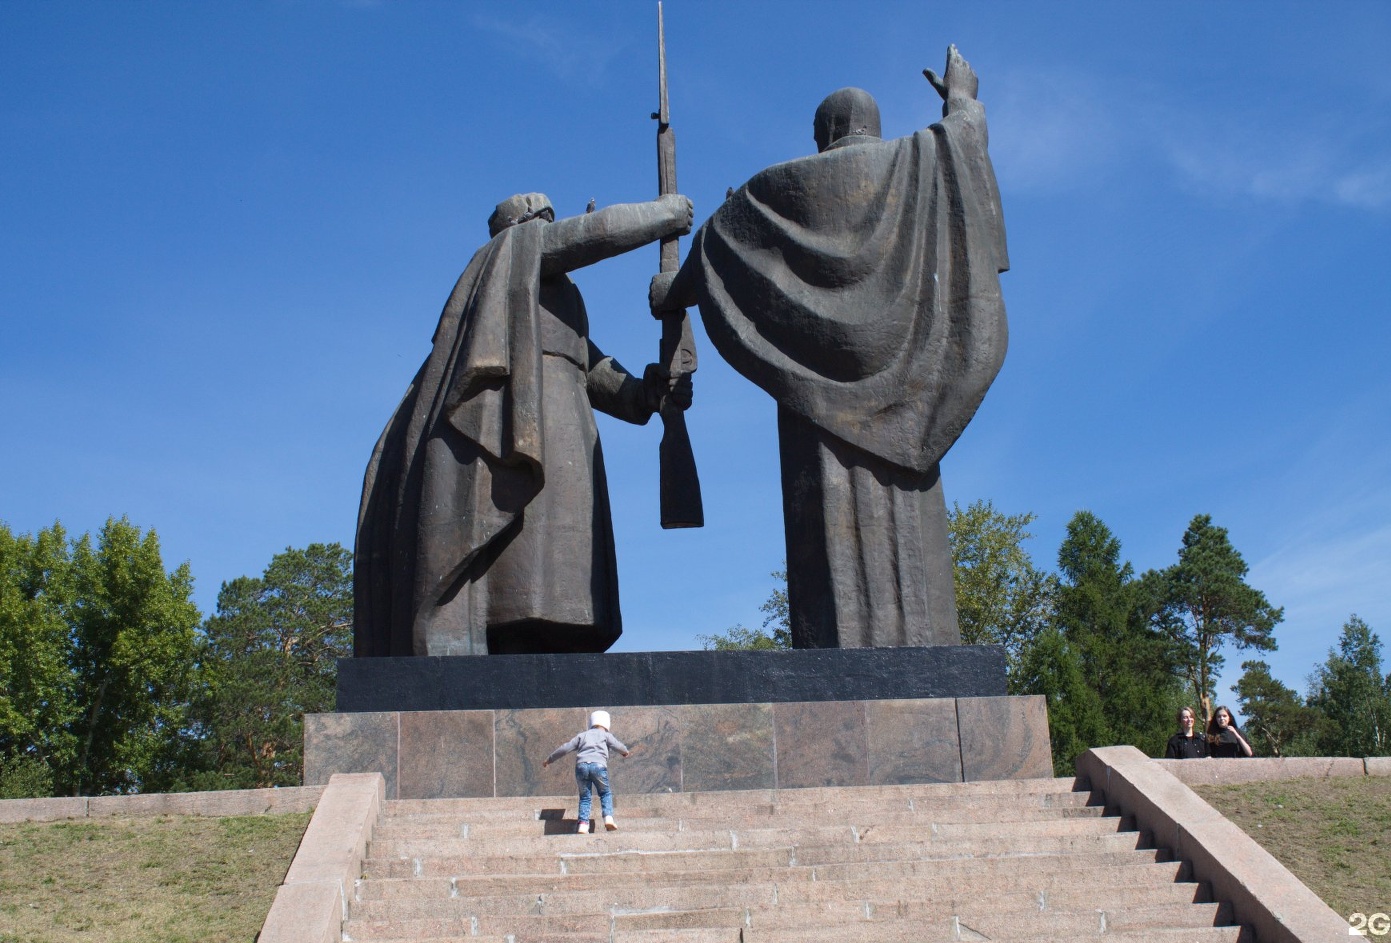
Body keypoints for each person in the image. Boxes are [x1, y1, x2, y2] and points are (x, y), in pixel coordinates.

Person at [651, 45, 1008, 648]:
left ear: (824, 134)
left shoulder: (774, 190)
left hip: (814, 407)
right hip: (911, 393)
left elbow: (704, 254)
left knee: (828, 555)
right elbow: (961, 143)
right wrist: (962, 100)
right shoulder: (917, 160)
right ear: (873, 125)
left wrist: (667, 288)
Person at [354, 192, 694, 657]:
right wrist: (664, 214)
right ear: (520, 227)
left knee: (569, 566)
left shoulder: (558, 298)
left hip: (566, 428)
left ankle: (562, 646)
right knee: (524, 563)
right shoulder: (507, 257)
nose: (550, 228)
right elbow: (593, 236)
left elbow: (594, 373)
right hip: (521, 429)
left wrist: (648, 393)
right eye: (543, 221)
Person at [543, 710, 631, 833]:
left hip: (581, 767)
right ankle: (608, 818)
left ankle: (583, 825)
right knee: (605, 793)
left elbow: (565, 748)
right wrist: (625, 752)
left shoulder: (582, 735)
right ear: (607, 724)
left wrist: (549, 759)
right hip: (598, 766)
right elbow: (618, 746)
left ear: (591, 723)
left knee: (585, 797)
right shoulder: (606, 735)